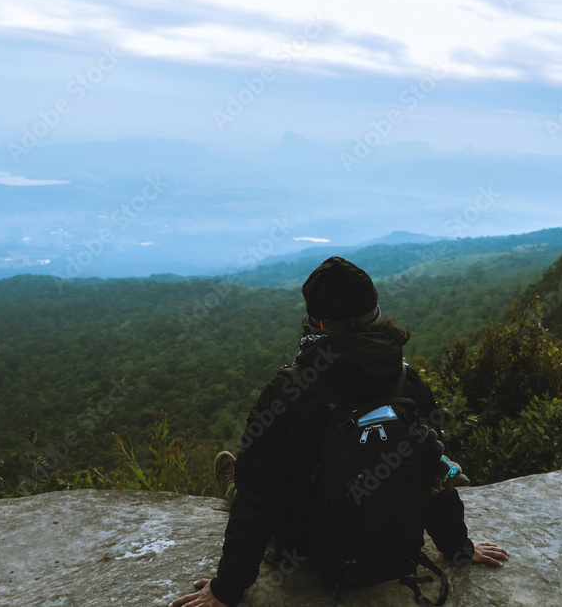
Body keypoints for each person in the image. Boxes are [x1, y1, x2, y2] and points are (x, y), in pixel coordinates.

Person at [170, 257, 508, 607]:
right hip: (395, 541)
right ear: (376, 314)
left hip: (310, 550)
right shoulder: (409, 383)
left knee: (249, 483)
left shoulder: (287, 393)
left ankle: (231, 486)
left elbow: (260, 501)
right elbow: (436, 470)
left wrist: (227, 589)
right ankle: (234, 482)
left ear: (315, 323)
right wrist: (458, 547)